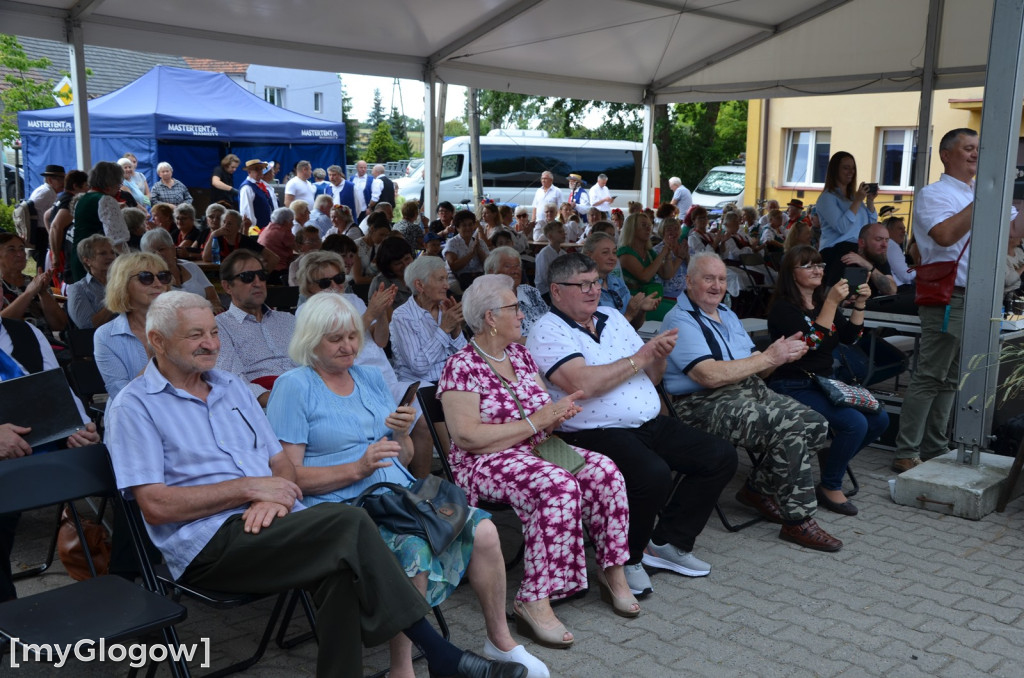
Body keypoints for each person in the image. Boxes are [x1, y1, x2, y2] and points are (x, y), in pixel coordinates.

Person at [105, 291, 528, 678]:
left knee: (340, 571)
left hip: (276, 522)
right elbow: (156, 506)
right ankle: (442, 655)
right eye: (195, 335)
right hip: (209, 543)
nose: (212, 343)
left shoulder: (232, 387)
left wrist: (277, 494)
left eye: (214, 332)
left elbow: (279, 465)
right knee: (349, 524)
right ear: (157, 341)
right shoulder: (135, 407)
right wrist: (252, 490)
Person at [266, 293, 547, 678]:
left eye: (352, 335)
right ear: (310, 340)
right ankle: (403, 668)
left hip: (401, 496)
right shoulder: (294, 386)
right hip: (344, 506)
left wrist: (401, 436)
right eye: (336, 339)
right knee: (414, 549)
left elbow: (404, 455)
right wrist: (356, 468)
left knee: (484, 530)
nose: (349, 346)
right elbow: (288, 477)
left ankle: (499, 640)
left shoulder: (367, 377)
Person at [440, 274, 635, 649]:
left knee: (605, 472)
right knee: (557, 485)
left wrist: (555, 414)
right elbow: (467, 437)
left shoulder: (520, 354)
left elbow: (540, 408)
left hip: (538, 447)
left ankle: (613, 573)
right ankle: (534, 599)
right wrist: (536, 422)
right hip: (486, 460)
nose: (523, 312)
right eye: (515, 307)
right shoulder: (461, 366)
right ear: (490, 317)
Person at [526, 254, 737, 596]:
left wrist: (660, 354)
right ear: (556, 290)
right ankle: (627, 560)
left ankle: (667, 543)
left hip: (647, 422)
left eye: (596, 282)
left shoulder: (611, 317)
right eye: (583, 284)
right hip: (589, 433)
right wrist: (641, 356)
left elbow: (653, 377)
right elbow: (583, 384)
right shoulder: (547, 330)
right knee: (651, 476)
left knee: (719, 455)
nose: (593, 290)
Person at [660, 252, 842, 551]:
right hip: (701, 403)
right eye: (708, 279)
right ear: (689, 281)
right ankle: (798, 520)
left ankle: (757, 489)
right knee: (788, 426)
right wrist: (768, 358)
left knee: (816, 424)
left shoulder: (728, 314)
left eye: (721, 279)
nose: (717, 286)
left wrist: (780, 355)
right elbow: (708, 376)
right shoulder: (680, 320)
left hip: (747, 390)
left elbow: (758, 366)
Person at [765, 245, 887, 516]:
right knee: (854, 423)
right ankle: (830, 485)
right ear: (791, 273)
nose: (817, 269)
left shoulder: (821, 303)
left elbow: (851, 338)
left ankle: (833, 458)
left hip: (824, 383)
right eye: (807, 265)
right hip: (791, 383)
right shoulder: (782, 309)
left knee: (879, 419)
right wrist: (832, 303)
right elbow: (811, 344)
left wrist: (860, 304)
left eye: (819, 264)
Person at [892, 128, 987, 473]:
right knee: (930, 376)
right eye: (969, 148)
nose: (976, 154)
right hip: (949, 297)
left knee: (949, 379)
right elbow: (944, 236)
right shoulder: (935, 194)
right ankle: (906, 451)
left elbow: (1012, 235)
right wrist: (983, 201)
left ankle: (934, 447)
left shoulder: (980, 191)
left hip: (973, 297)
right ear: (947, 155)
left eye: (978, 148)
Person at [0, 315, 100, 602]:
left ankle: (126, 577)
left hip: (38, 453)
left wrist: (78, 429)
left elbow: (57, 389)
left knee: (123, 481)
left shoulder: (25, 332)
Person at [213, 250, 297, 406]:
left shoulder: (288, 320)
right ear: (227, 286)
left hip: (308, 393)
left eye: (261, 276)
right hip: (264, 405)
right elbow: (232, 380)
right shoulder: (219, 327)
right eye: (247, 277)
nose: (257, 282)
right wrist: (281, 400)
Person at [94, 252, 170, 399]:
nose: (158, 283)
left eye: (163, 276)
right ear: (123, 285)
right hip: (132, 416)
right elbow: (122, 394)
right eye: (146, 278)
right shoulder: (106, 336)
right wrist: (162, 359)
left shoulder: (183, 324)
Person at [391, 256, 467, 383]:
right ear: (420, 285)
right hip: (422, 386)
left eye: (447, 279)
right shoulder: (402, 316)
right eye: (440, 279)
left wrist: (456, 330)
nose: (447, 286)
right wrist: (444, 329)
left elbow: (466, 357)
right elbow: (419, 366)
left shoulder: (445, 308)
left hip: (452, 380)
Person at [816, 152, 878, 283]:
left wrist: (870, 201)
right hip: (837, 251)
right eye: (846, 167)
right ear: (835, 170)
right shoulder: (827, 198)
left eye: (853, 168)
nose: (851, 172)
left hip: (857, 249)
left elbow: (870, 227)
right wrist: (857, 201)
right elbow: (842, 227)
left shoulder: (853, 197)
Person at [70, 161, 131, 282]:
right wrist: (130, 264)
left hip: (79, 257)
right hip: (99, 262)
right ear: (111, 182)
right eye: (119, 182)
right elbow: (117, 240)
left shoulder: (82, 199)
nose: (119, 186)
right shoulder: (106, 200)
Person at [583, 232, 658, 329]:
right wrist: (629, 314)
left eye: (614, 252)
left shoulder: (617, 282)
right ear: (589, 255)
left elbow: (633, 327)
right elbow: (602, 334)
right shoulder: (584, 288)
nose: (612, 257)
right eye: (605, 252)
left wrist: (640, 310)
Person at [141, 229, 222, 314]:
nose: (158, 255)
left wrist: (215, 306)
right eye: (152, 252)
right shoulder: (150, 280)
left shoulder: (190, 266)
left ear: (173, 248)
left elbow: (213, 296)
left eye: (161, 249)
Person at [0, 233, 67, 333]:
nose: (20, 254)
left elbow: (60, 325)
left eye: (22, 249)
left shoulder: (36, 282)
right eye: (11, 249)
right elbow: (2, 325)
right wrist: (29, 293)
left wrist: (43, 293)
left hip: (46, 343)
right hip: (12, 346)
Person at [482, 247, 548, 337]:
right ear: (492, 272)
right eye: (507, 266)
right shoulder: (487, 300)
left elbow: (548, 319)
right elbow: (498, 336)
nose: (515, 271)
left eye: (517, 266)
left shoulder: (530, 292)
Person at [66, 234, 118, 329]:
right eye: (103, 253)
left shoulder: (124, 281)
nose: (110, 257)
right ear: (87, 260)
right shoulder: (78, 289)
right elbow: (87, 326)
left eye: (113, 252)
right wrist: (115, 301)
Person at [617, 212, 672, 297]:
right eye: (643, 225)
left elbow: (666, 275)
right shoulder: (625, 253)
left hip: (648, 298)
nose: (648, 229)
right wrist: (662, 254)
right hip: (631, 299)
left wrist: (668, 257)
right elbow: (645, 277)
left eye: (649, 225)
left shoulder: (649, 252)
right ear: (632, 229)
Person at [46, 169, 89, 279]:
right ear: (75, 186)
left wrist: (51, 238)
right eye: (85, 185)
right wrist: (55, 254)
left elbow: (46, 216)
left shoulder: (62, 196)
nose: (88, 189)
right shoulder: (70, 200)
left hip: (57, 249)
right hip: (61, 252)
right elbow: (55, 226)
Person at [202, 209, 278, 269]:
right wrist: (213, 235)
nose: (225, 226)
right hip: (219, 274)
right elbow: (206, 258)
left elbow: (274, 258)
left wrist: (263, 277)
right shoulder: (218, 238)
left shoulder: (245, 240)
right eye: (224, 222)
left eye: (229, 223)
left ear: (238, 227)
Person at [837, 223, 898, 297]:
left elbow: (891, 290)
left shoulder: (879, 257)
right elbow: (829, 295)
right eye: (878, 239)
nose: (884, 245)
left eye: (887, 240)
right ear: (862, 242)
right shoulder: (846, 259)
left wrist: (867, 265)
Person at [26, 164, 65, 268]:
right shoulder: (47, 192)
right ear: (50, 180)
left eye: (63, 179)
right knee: (41, 261)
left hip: (40, 229)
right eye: (60, 180)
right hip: (41, 230)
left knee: (41, 260)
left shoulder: (45, 190)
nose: (63, 183)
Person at [444, 210, 489, 292]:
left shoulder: (480, 242)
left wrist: (479, 250)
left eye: (470, 225)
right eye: (464, 225)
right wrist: (471, 254)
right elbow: (454, 266)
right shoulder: (452, 243)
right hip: (458, 278)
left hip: (479, 277)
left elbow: (488, 265)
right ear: (457, 228)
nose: (468, 228)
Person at [369, 237, 415, 308]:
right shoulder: (381, 283)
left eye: (407, 259)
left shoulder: (420, 275)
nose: (405, 265)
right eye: (398, 263)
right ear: (388, 266)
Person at [257, 207, 296, 284]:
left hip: (264, 268)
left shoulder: (267, 228)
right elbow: (300, 248)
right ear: (285, 222)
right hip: (278, 271)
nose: (293, 224)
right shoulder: (284, 232)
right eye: (291, 221)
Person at [653, 218, 688, 301]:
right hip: (667, 297)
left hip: (686, 295)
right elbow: (667, 275)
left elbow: (694, 270)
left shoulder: (685, 247)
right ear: (662, 231)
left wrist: (687, 255)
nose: (673, 232)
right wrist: (680, 257)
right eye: (669, 229)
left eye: (676, 229)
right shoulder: (656, 250)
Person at [238, 159, 276, 232]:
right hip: (257, 230)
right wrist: (252, 229)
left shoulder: (262, 184)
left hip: (267, 228)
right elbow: (246, 211)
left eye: (261, 169)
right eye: (256, 169)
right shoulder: (247, 188)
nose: (260, 171)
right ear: (249, 172)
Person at [533, 221, 564, 295]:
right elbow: (544, 277)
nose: (564, 234)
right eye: (560, 232)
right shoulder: (544, 254)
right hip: (545, 290)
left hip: (559, 287)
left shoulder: (563, 253)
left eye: (563, 231)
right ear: (550, 236)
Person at [884, 214, 916, 286]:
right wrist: (920, 270)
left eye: (904, 229)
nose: (904, 232)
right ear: (888, 230)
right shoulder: (892, 246)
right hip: (900, 289)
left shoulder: (887, 245)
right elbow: (906, 275)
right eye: (900, 228)